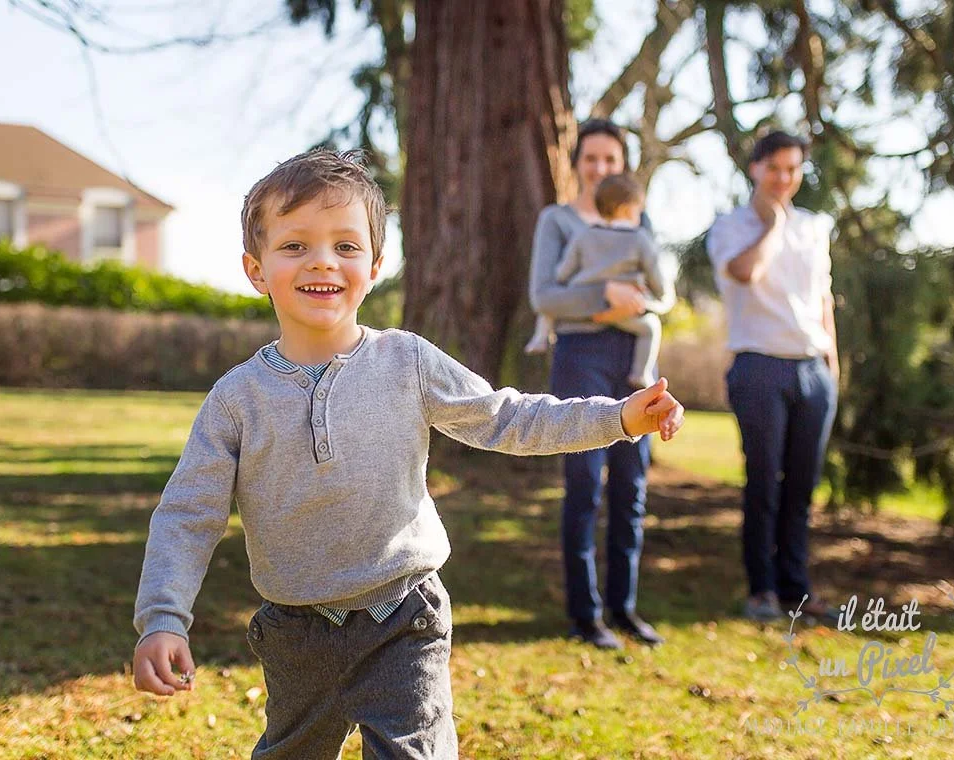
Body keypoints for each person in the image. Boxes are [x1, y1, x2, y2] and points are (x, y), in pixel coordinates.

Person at [131, 149, 687, 759]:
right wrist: (163, 617)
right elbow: (188, 514)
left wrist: (618, 417)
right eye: (295, 246)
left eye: (346, 246)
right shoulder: (237, 398)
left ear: (374, 266)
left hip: (404, 615)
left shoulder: (408, 362)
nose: (323, 261)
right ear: (255, 269)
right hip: (295, 630)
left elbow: (507, 417)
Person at [528, 119, 669, 650]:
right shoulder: (558, 221)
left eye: (610, 160)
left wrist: (641, 308)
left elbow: (658, 292)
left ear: (623, 167)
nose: (600, 168)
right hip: (580, 356)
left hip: (632, 356)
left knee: (632, 486)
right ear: (577, 162)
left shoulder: (641, 219)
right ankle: (585, 615)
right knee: (586, 484)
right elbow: (545, 296)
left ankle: (624, 608)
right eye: (591, 159)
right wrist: (607, 297)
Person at [705, 131, 839, 624]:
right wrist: (773, 225)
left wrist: (832, 373)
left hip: (813, 372)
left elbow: (823, 302)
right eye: (775, 168)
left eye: (793, 169)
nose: (784, 178)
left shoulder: (816, 227)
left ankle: (796, 592)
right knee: (764, 485)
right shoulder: (731, 226)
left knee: (801, 491)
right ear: (755, 169)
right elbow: (744, 273)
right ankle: (761, 590)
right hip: (758, 365)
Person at [526, 173, 676, 390]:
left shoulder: (584, 236)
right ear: (627, 209)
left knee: (549, 309)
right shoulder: (639, 239)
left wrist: (576, 284)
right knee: (651, 327)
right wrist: (644, 302)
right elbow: (661, 286)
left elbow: (561, 274)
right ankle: (641, 373)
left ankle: (540, 336)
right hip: (626, 315)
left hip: (581, 303)